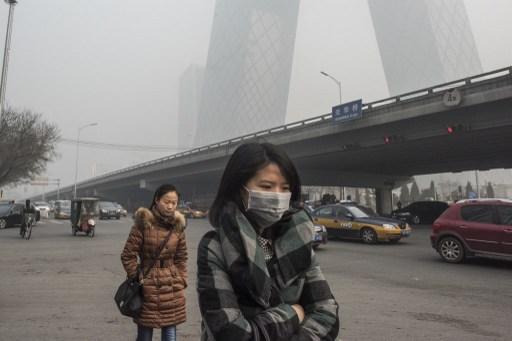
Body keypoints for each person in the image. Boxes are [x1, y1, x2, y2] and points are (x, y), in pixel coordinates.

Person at [197, 143, 340, 340]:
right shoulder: (215, 247)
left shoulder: (297, 241)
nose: (277, 195)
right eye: (266, 186)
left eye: (285, 188)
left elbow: (327, 314)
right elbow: (230, 332)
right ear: (240, 189)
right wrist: (293, 314)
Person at [121, 184, 188, 341]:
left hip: (172, 287)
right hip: (147, 287)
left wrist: (181, 278)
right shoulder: (143, 224)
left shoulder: (178, 227)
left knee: (170, 334)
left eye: (174, 203)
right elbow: (128, 255)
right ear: (157, 200)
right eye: (167, 202)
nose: (170, 206)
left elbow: (182, 256)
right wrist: (137, 276)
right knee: (145, 334)